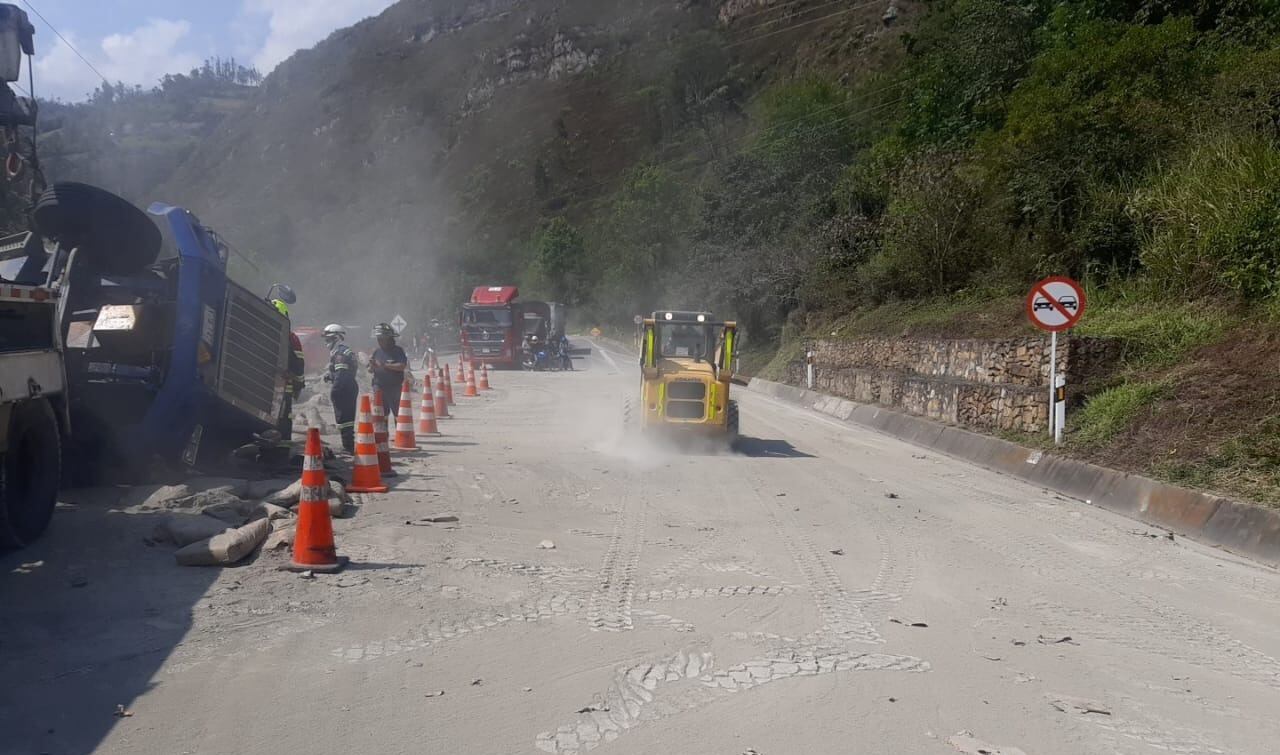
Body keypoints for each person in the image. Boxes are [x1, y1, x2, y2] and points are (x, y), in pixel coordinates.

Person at [322, 324, 358, 453]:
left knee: (344, 419)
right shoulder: (343, 351)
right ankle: (348, 445)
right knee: (346, 418)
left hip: (344, 388)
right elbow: (343, 372)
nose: (326, 343)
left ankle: (348, 446)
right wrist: (331, 376)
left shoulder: (340, 353)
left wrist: (334, 391)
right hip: (348, 386)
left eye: (328, 339)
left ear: (337, 338)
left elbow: (342, 375)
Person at [369, 322, 408, 419]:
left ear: (389, 338)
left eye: (381, 339)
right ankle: (382, 433)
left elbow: (402, 366)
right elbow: (371, 370)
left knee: (398, 414)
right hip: (379, 387)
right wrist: (372, 366)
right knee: (381, 415)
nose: (379, 341)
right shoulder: (377, 351)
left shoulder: (397, 351)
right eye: (378, 339)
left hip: (394, 387)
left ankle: (400, 433)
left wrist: (384, 365)